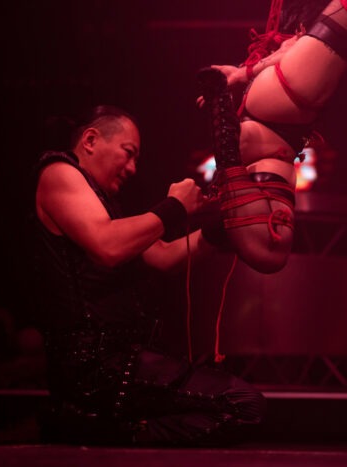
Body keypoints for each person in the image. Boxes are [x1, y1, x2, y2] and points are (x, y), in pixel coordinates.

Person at [31, 105, 266, 445]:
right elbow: (108, 245)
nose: (132, 168)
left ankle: (99, 430)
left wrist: (221, 229)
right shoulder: (59, 171)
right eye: (128, 153)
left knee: (244, 405)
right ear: (90, 140)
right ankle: (99, 430)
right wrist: (174, 207)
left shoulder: (103, 205)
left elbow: (164, 256)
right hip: (94, 369)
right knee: (242, 405)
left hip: (118, 363)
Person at [197, 0, 347, 273]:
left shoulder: (247, 177)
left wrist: (243, 74)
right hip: (283, 103)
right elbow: (271, 256)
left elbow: (162, 257)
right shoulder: (256, 188)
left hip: (275, 97)